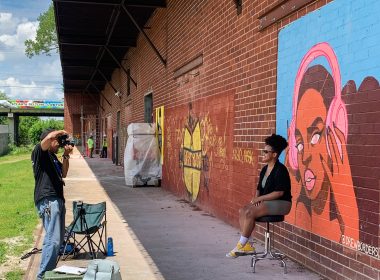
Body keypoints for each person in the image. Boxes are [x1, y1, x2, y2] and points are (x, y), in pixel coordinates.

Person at [226, 134, 292, 258]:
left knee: (250, 213)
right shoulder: (264, 169)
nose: (263, 153)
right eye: (263, 150)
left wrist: (259, 199)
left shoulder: (280, 170)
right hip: (267, 202)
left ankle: (241, 245)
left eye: (266, 151)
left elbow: (279, 193)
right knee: (243, 210)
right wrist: (255, 200)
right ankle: (248, 244)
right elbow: (259, 189)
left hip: (282, 203)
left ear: (274, 154)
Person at [31, 129, 73, 279]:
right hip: (48, 199)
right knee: (53, 239)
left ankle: (48, 273)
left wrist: (66, 155)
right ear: (50, 140)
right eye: (58, 141)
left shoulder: (53, 157)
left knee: (58, 239)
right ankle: (42, 276)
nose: (59, 144)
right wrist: (61, 132)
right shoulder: (40, 153)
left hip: (57, 199)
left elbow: (64, 173)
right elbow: (48, 139)